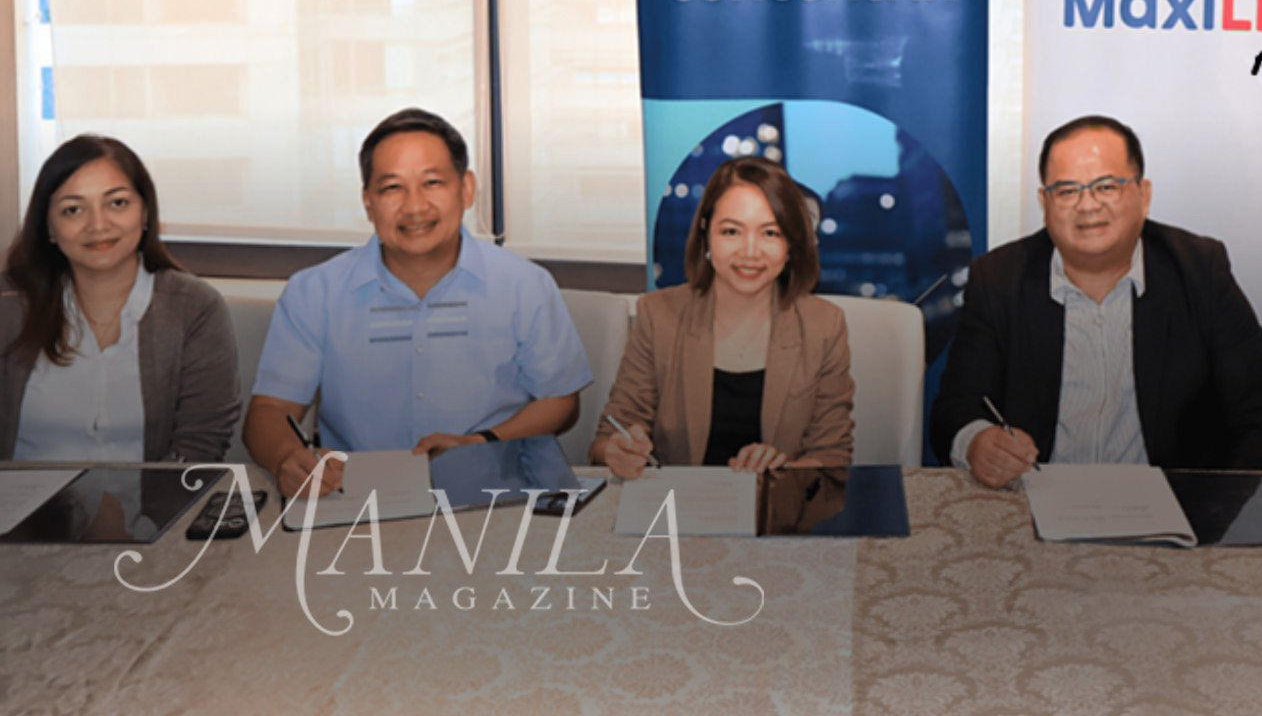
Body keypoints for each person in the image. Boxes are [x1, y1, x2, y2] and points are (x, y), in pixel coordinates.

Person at [243, 109, 592, 497]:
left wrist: (480, 441)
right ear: (368, 202)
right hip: (358, 502)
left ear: (466, 189)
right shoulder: (314, 293)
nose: (414, 207)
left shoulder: (524, 284)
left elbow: (561, 400)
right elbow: (270, 412)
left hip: (496, 500)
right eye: (392, 188)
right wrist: (287, 459)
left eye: (432, 183)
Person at [929, 115, 1262, 489]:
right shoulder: (998, 280)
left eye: (1106, 187)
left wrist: (1217, 505)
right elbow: (955, 409)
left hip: (1174, 504)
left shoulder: (1200, 271)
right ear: (1044, 202)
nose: (1088, 205)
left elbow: (1259, 419)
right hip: (1035, 498)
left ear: (1143, 195)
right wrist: (975, 442)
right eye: (1067, 191)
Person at [590, 157, 853, 477]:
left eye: (770, 233)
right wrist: (617, 451)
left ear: (791, 245)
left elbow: (833, 455)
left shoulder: (824, 325)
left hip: (776, 505)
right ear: (706, 233)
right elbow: (607, 438)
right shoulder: (658, 315)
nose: (750, 252)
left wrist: (782, 470)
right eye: (731, 231)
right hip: (678, 503)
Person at [0, 134, 239, 462]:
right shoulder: (9, 303)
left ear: (145, 212)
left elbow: (202, 443)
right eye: (73, 210)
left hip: (153, 497)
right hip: (20, 496)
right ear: (50, 228)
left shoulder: (195, 307)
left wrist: (152, 497)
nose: (98, 225)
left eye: (117, 203)